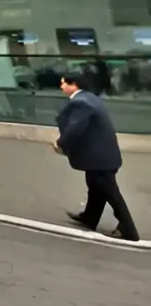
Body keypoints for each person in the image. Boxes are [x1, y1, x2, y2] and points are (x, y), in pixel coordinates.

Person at [55, 74, 139, 241]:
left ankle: (129, 230)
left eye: (64, 84)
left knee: (110, 192)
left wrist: (60, 143)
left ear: (74, 85)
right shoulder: (90, 98)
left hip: (100, 157)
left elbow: (75, 127)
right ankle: (89, 217)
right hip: (101, 155)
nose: (61, 87)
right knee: (94, 185)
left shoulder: (80, 103)